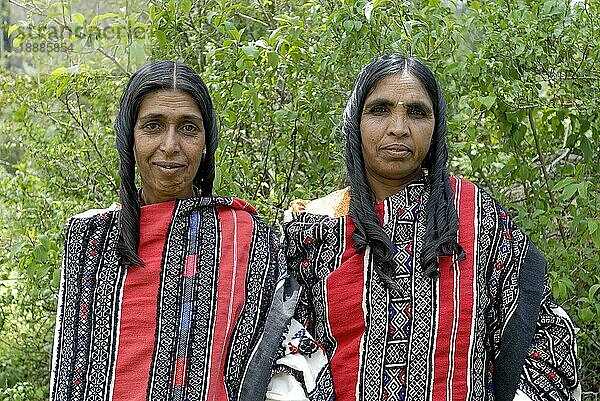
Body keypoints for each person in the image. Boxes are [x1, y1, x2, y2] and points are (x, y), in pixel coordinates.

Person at [284, 54, 580, 401]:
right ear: (355, 123)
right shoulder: (315, 224)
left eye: (417, 112)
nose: (398, 127)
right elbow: (286, 350)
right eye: (379, 110)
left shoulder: (477, 218)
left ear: (436, 127)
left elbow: (542, 330)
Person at [49, 60, 332, 401]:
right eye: (153, 126)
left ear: (206, 141)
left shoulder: (251, 239)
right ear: (129, 137)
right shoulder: (92, 237)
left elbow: (286, 360)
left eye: (188, 128)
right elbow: (74, 370)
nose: (170, 145)